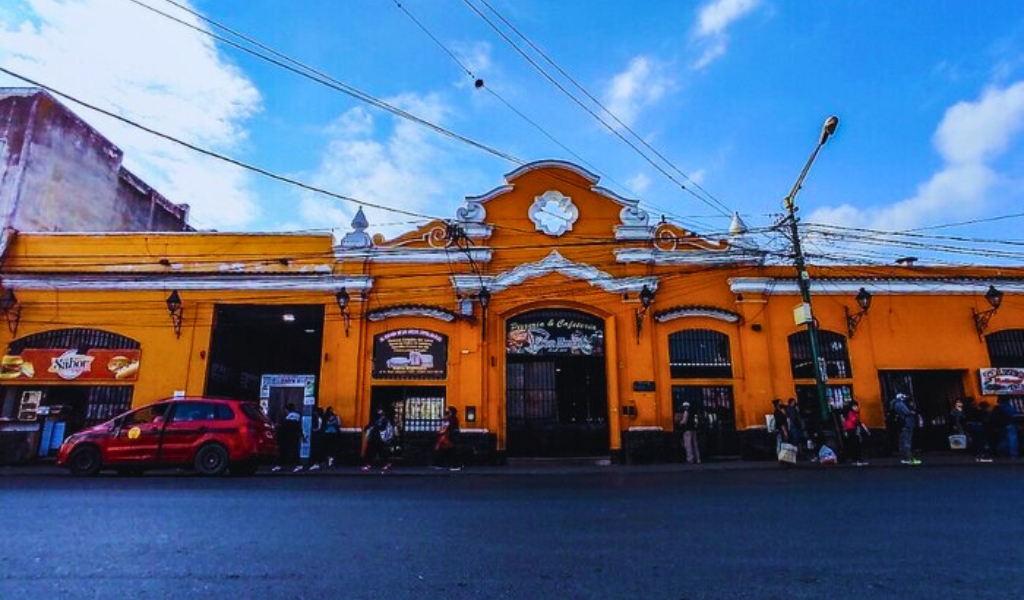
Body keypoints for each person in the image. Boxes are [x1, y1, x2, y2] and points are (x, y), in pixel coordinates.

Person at [361, 408, 393, 472]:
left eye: (380, 413)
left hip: (379, 438)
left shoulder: (384, 420)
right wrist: (367, 427)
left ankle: (385, 464)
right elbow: (370, 425)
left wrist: (373, 427)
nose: (379, 414)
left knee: (379, 451)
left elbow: (382, 427)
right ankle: (369, 464)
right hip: (374, 438)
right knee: (372, 451)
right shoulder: (376, 420)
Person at [271, 403, 301, 472]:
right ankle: (295, 464)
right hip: (294, 435)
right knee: (293, 450)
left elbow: (286, 425)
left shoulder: (289, 417)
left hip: (288, 436)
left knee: (288, 450)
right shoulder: (297, 416)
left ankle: (284, 464)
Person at [893, 393, 921, 465]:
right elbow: (907, 412)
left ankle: (905, 458)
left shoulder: (895, 404)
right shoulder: (900, 404)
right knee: (907, 442)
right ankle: (909, 458)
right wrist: (913, 412)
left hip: (902, 425)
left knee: (903, 442)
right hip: (907, 424)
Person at [433, 406, 462, 471]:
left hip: (449, 437)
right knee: (448, 451)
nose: (446, 412)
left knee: (451, 451)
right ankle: (447, 465)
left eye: (447, 411)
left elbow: (447, 427)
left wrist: (441, 432)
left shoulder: (451, 419)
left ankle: (455, 465)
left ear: (451, 412)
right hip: (449, 436)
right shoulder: (451, 419)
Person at [842, 401, 870, 466]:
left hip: (851, 429)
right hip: (852, 429)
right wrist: (860, 423)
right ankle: (856, 460)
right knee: (855, 444)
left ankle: (857, 459)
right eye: (855, 406)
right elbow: (854, 421)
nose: (857, 407)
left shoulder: (851, 413)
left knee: (855, 444)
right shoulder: (851, 413)